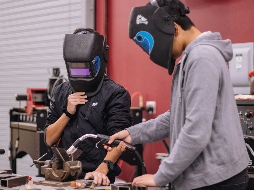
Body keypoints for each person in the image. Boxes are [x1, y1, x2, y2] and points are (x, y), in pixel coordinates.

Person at [107, 0, 250, 189]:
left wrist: (161, 176)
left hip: (217, 180)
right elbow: (176, 116)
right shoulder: (192, 57)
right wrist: (133, 134)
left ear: (174, 28)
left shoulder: (202, 58)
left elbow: (196, 131)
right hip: (210, 176)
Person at [44, 28, 132, 185]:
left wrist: (102, 169)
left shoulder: (116, 94)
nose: (80, 71)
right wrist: (67, 113)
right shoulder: (61, 91)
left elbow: (119, 142)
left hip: (95, 177)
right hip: (61, 174)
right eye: (75, 66)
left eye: (84, 66)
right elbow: (49, 139)